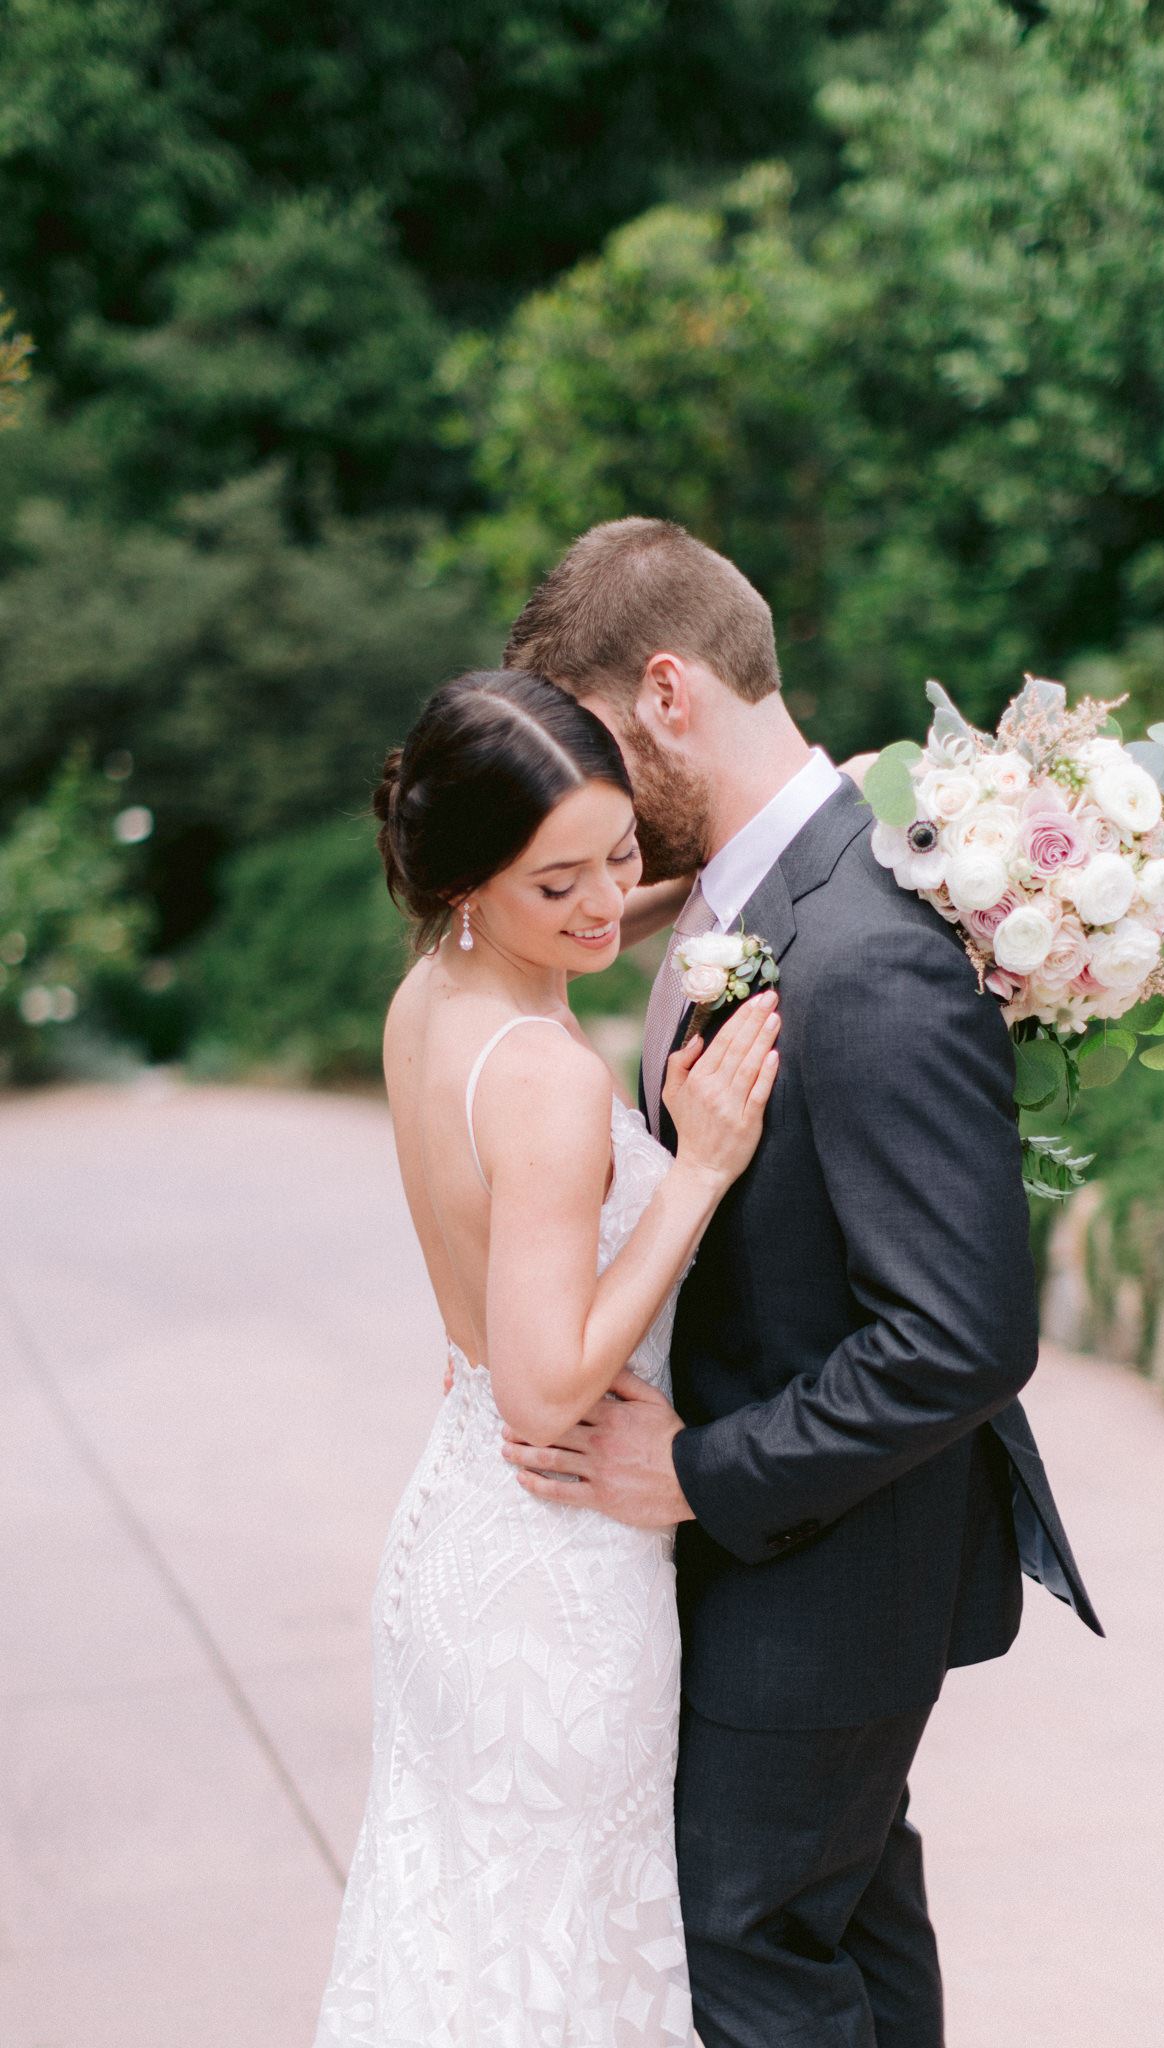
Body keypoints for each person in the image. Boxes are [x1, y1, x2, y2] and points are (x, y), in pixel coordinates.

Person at [500, 519, 1103, 2048]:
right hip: (781, 1570)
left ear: (666, 694)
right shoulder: (747, 898)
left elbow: (959, 1335)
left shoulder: (863, 942)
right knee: (841, 1929)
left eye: (589, 737)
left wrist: (697, 1472)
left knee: (742, 1946)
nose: (579, 788)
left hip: (824, 1572)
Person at [313, 667, 781, 2045]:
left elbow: (568, 910)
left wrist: (775, 832)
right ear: (469, 881)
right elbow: (543, 1388)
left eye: (620, 855)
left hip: (458, 1541)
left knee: (468, 1954)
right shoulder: (545, 1077)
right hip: (556, 1569)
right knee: (561, 1972)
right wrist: (699, 1171)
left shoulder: (433, 993)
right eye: (558, 882)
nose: (602, 904)